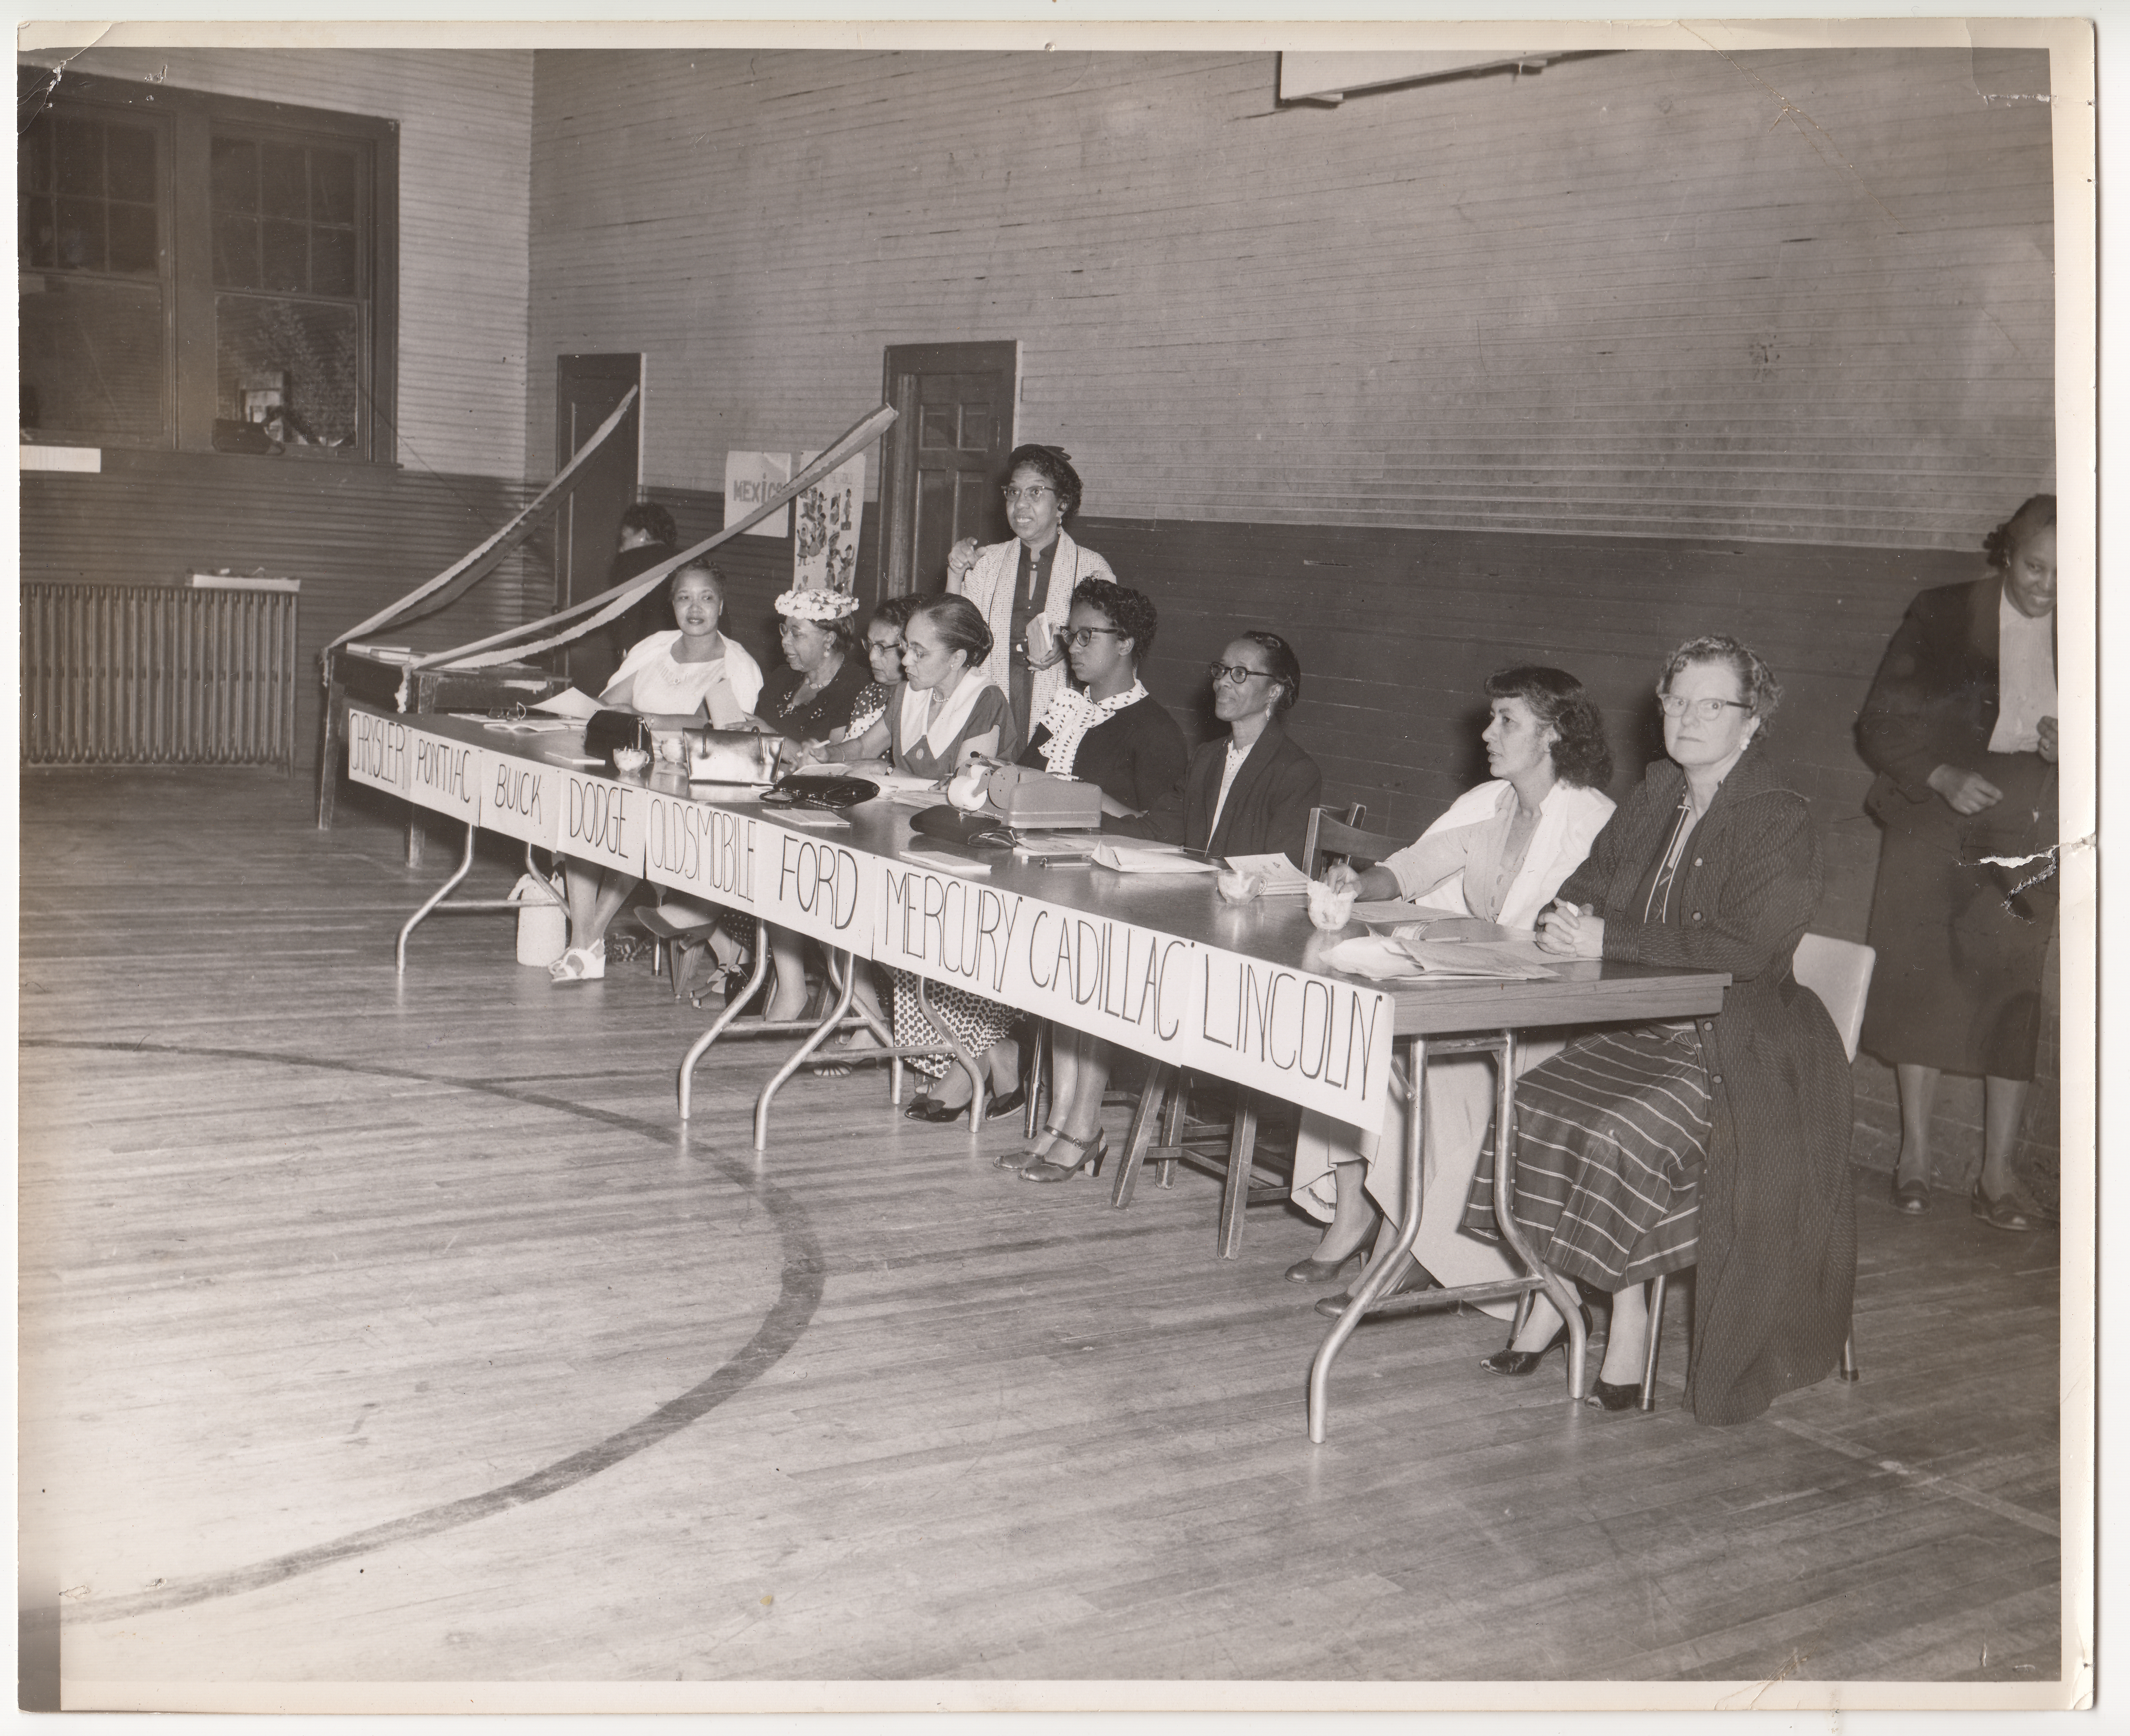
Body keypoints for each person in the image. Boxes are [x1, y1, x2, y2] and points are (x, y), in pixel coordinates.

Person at [1465, 636, 1854, 1424]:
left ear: (1750, 722)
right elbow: (1588, 883)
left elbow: (1745, 949)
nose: (1686, 718)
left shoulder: (1776, 816)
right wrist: (1566, 917)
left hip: (1743, 1043)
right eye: (1675, 700)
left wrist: (1608, 937)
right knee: (1530, 1103)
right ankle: (1555, 1291)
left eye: (1710, 704)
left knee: (1618, 1131)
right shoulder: (1657, 791)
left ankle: (1627, 1317)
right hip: (1644, 1028)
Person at [1287, 669, 1615, 1316]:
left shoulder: (1591, 821)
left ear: (1553, 734)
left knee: (1403, 1057)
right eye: (1491, 718)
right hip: (1480, 992)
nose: (1487, 733)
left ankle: (1404, 1247)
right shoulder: (1493, 804)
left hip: (1547, 1021)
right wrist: (1358, 883)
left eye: (1506, 721)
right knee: (1349, 1031)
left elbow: (1564, 938)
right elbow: (1414, 866)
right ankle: (1353, 1215)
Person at [1856, 494, 2057, 1231]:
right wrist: (1940, 774)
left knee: (2011, 993)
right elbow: (1878, 723)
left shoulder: (2099, 627)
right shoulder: (1942, 613)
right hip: (1936, 811)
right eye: (2034, 568)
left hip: (2027, 820)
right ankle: (1913, 1157)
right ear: (2006, 553)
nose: (2047, 588)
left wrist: (2080, 744)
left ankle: (1996, 1174)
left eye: (2065, 574)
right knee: (1922, 981)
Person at [996, 581, 1188, 1181]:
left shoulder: (1152, 728)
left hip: (1115, 892)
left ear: (1125, 644)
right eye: (1069, 636)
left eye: (1086, 637)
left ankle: (1084, 1127)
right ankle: (1057, 1123)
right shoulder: (1066, 709)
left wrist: (1081, 795)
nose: (1072, 648)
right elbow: (1026, 780)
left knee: (1086, 997)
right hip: (1056, 877)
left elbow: (1162, 830)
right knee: (1058, 998)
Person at [550, 561, 763, 982]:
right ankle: (585, 942)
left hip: (691, 786)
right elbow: (607, 705)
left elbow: (718, 728)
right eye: (684, 598)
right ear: (673, 605)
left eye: (706, 598)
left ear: (721, 605)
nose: (695, 608)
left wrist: (643, 717)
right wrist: (631, 716)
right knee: (582, 819)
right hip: (631, 769)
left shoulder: (737, 664)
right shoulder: (654, 648)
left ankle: (587, 940)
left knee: (635, 828)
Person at [887, 595, 1024, 1123]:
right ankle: (995, 1052)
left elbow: (964, 784)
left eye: (918, 651)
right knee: (896, 939)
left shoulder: (985, 701)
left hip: (972, 857)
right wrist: (824, 757)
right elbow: (866, 746)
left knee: (947, 940)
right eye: (905, 648)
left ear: (958, 658)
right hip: (916, 843)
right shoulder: (910, 693)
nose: (905, 660)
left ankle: (966, 1065)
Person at [753, 586, 878, 1021]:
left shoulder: (855, 684)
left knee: (792, 866)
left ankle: (861, 1009)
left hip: (833, 811)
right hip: (779, 798)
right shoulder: (782, 678)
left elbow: (836, 761)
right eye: (784, 631)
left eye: (796, 633)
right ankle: (790, 988)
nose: (785, 642)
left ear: (829, 638)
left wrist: (767, 736)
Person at [944, 444, 1118, 746]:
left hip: (1063, 717)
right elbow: (954, 636)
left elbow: (1110, 651)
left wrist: (1070, 645)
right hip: (992, 708)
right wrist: (955, 573)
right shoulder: (987, 562)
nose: (1020, 504)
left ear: (1062, 504)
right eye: (1013, 492)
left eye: (1035, 492)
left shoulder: (1092, 568)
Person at [1183, 630, 1321, 868]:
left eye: (1240, 673)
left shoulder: (1296, 772)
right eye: (1221, 670)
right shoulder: (1205, 757)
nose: (1222, 682)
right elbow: (1158, 829)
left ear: (1273, 692)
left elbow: (1280, 872)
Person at [581, 503, 679, 697]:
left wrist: (626, 660)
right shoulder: (689, 559)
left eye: (625, 539)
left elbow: (626, 617)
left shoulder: (629, 561)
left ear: (643, 535)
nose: (621, 549)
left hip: (645, 664)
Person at [804, 596, 914, 765]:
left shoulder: (914, 698)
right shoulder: (870, 692)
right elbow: (861, 748)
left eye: (882, 648)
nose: (872, 657)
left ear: (908, 648)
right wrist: (826, 755)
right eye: (870, 645)